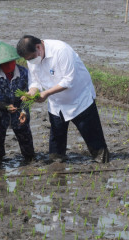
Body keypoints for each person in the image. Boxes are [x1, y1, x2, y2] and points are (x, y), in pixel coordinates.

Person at [16, 35, 109, 163]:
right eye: (28, 60)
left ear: (38, 47)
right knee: (56, 144)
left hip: (79, 99)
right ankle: (57, 163)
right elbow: (35, 82)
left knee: (93, 138)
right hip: (56, 103)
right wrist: (32, 92)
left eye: (32, 58)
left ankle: (102, 160)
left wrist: (46, 93)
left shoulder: (61, 50)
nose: (31, 61)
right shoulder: (32, 58)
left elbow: (68, 81)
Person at [0, 42, 35, 167]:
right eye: (5, 64)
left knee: (23, 131)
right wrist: (6, 107)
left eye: (11, 62)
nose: (9, 65)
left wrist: (24, 110)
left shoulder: (24, 73)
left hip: (19, 107)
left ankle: (29, 157)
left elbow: (28, 95)